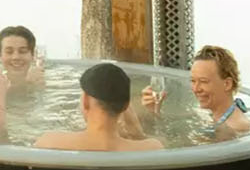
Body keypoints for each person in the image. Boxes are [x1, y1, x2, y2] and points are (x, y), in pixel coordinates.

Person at [34, 62, 163, 151]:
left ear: (85, 101)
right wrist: (138, 134)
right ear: (125, 107)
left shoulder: (49, 143)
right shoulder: (152, 148)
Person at [141, 44, 250, 140]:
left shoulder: (235, 127)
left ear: (227, 84)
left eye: (203, 81)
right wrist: (154, 111)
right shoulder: (210, 113)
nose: (195, 89)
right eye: (193, 81)